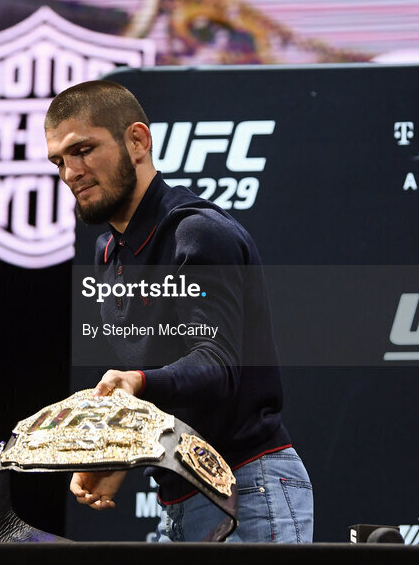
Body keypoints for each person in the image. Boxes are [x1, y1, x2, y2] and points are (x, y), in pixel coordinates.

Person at [44, 79, 313, 543]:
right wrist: (123, 455)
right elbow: (164, 388)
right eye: (59, 161)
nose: (71, 172)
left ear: (138, 141)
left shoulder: (199, 232)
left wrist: (136, 383)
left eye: (83, 150)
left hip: (248, 489)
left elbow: (217, 363)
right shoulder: (108, 252)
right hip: (181, 498)